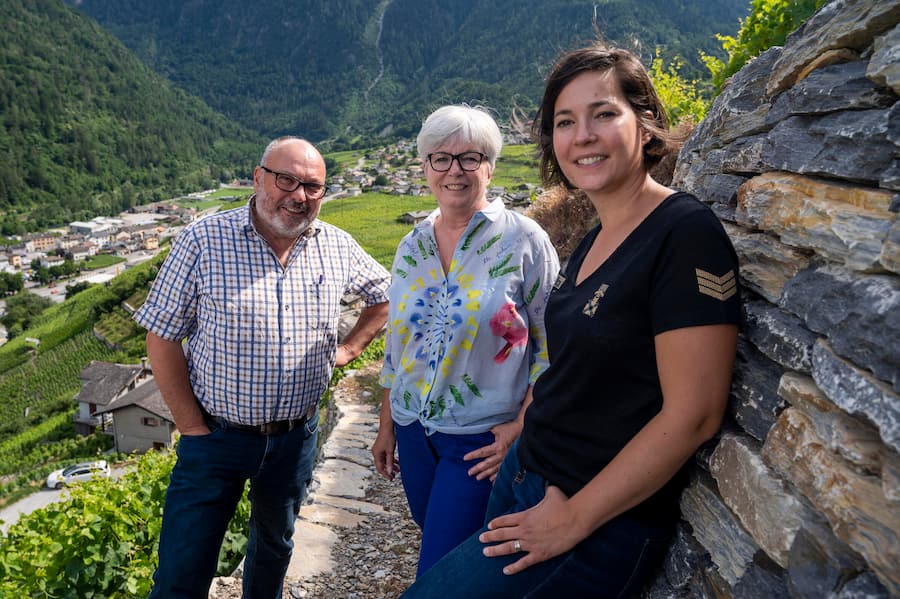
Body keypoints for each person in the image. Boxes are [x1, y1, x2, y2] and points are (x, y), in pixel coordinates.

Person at [402, 41, 741, 598]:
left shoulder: (684, 234)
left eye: (603, 113)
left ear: (647, 123)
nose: (582, 134)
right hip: (527, 477)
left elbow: (695, 415)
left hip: (590, 517)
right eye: (565, 121)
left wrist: (577, 517)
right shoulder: (597, 239)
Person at [134, 136, 390, 599]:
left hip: (295, 438)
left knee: (274, 550)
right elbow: (161, 334)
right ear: (258, 178)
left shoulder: (336, 245)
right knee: (181, 570)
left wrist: (348, 350)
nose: (298, 196)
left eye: (312, 186)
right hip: (215, 438)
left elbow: (387, 296)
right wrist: (191, 427)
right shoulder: (204, 241)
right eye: (286, 180)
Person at [372, 104, 559, 577]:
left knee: (437, 571)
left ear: (490, 167)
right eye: (441, 157)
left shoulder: (525, 241)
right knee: (439, 538)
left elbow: (552, 346)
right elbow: (399, 344)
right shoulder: (411, 245)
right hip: (414, 431)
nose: (454, 170)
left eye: (470, 158)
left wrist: (522, 425)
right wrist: (387, 423)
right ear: (425, 166)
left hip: (479, 441)